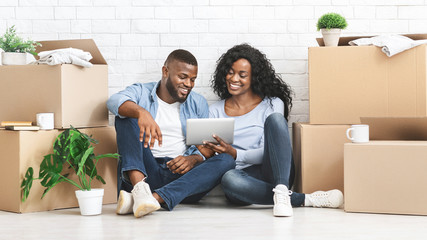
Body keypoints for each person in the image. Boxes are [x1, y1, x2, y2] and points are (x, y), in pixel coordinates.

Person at [204, 44, 343, 217]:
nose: (234, 78)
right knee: (229, 180)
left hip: (276, 171)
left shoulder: (272, 103)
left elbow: (272, 151)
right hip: (241, 177)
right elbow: (214, 155)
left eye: (242, 74)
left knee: (276, 120)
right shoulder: (215, 110)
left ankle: (282, 189)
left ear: (254, 77)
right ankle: (305, 199)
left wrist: (235, 154)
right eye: (230, 72)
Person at [107, 49, 235, 218]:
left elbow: (207, 146)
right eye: (183, 77)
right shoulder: (142, 92)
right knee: (125, 116)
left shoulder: (198, 102)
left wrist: (193, 159)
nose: (188, 84)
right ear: (165, 71)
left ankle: (152, 198)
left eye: (193, 79)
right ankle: (139, 191)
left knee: (227, 159)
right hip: (146, 171)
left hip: (182, 178)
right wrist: (141, 112)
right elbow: (113, 101)